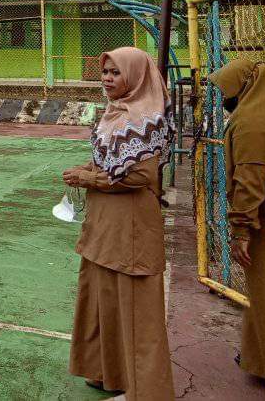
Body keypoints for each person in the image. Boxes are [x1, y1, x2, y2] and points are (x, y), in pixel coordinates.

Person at [62, 47, 174, 399]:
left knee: (136, 311)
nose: (107, 79)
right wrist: (86, 171)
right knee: (104, 301)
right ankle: (109, 373)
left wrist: (90, 180)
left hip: (130, 228)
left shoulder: (144, 118)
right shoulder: (114, 113)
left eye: (115, 73)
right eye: (105, 72)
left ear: (135, 76)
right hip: (104, 226)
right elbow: (108, 163)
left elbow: (138, 176)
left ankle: (146, 391)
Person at [208, 59, 265, 398]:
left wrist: (241, 230)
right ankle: (258, 362)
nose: (225, 99)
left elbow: (250, 183)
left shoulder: (253, 123)